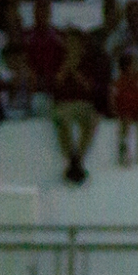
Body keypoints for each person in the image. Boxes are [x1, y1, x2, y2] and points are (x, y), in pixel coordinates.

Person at [50, 30, 104, 184]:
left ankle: (77, 158)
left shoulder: (88, 62)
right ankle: (72, 158)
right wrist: (66, 67)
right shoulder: (58, 59)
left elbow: (89, 87)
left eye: (75, 43)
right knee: (61, 120)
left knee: (92, 120)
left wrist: (75, 71)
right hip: (63, 103)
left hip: (83, 104)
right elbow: (55, 84)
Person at [111, 50, 138, 166]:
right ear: (127, 67)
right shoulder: (119, 81)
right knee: (125, 121)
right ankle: (123, 147)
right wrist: (114, 110)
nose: (137, 67)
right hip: (124, 109)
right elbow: (113, 96)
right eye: (134, 64)